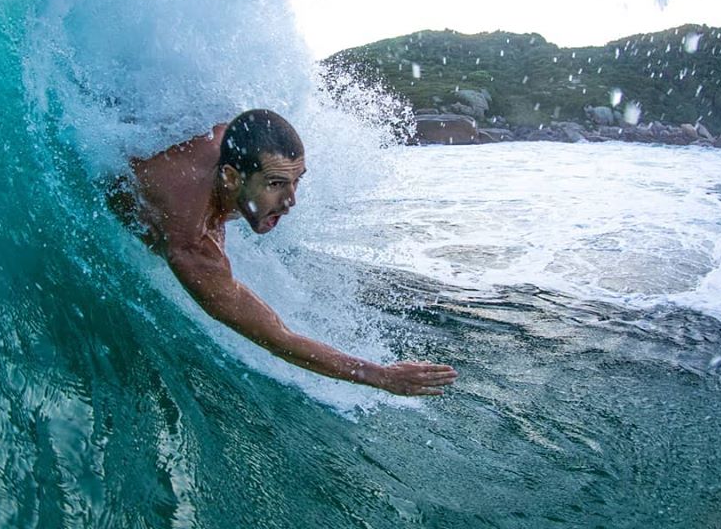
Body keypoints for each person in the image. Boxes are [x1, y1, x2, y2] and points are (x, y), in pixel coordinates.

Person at [108, 109, 458, 396]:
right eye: (276, 185)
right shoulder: (190, 242)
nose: (291, 201)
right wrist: (379, 375)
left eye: (296, 180)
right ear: (231, 177)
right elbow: (279, 338)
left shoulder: (236, 137)